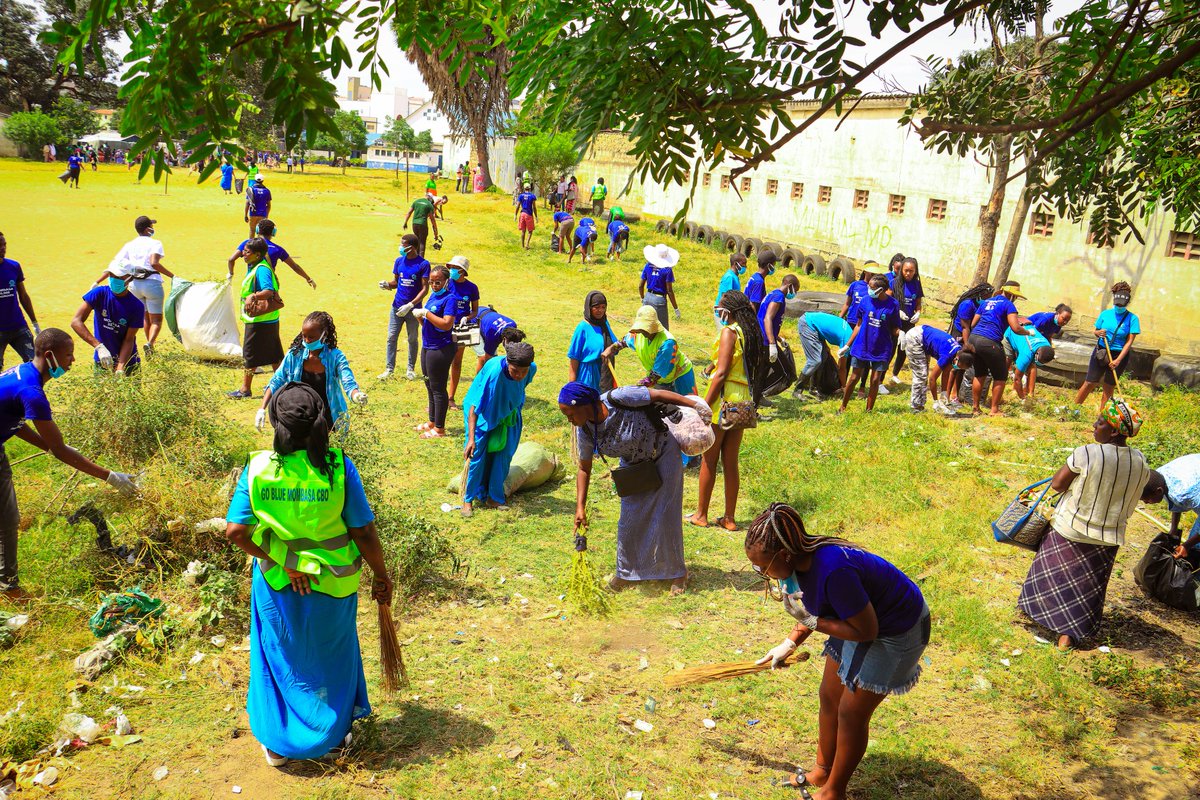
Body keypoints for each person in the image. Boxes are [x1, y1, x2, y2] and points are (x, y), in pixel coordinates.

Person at [224, 381, 391, 766]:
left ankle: (278, 745)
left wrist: (285, 562)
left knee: (280, 656)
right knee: (331, 657)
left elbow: (235, 531)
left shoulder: (258, 468)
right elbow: (363, 531)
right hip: (332, 585)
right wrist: (382, 575)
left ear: (274, 422)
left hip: (278, 584)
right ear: (322, 421)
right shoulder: (338, 467)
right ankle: (331, 739)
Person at [745, 502, 929, 796]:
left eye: (763, 567)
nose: (762, 573)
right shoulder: (796, 564)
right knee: (829, 695)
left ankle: (835, 791)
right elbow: (822, 609)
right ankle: (822, 771)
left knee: (851, 713)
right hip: (856, 618)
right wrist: (790, 642)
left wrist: (812, 621)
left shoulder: (833, 571)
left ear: (785, 554)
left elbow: (866, 631)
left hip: (898, 628)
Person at [0, 329, 137, 600]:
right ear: (50, 355)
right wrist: (111, 477)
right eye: (69, 354)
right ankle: (9, 587)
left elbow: (12, 421)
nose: (73, 360)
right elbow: (63, 453)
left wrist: (48, 446)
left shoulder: (24, 372)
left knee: (6, 517)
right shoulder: (32, 391)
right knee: (7, 519)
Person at [1018, 398, 1152, 650]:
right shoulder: (1140, 461)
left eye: (1100, 422)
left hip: (1071, 528)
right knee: (1086, 587)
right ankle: (1067, 637)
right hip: (1108, 537)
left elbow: (1057, 485)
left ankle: (1039, 613)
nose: (1094, 425)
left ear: (1113, 431)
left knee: (1052, 574)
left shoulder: (1087, 452)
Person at [559, 381, 701, 594]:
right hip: (634, 466)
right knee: (628, 520)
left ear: (584, 405)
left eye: (570, 414)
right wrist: (580, 507)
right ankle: (627, 574)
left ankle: (677, 573)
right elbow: (584, 469)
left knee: (666, 514)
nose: (569, 420)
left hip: (663, 452)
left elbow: (658, 394)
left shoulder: (620, 398)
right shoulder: (586, 430)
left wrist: (695, 406)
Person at [689, 291, 766, 530]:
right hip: (742, 403)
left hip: (723, 402)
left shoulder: (729, 332)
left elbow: (721, 372)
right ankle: (729, 519)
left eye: (721, 309)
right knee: (731, 462)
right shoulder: (749, 333)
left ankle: (701, 515)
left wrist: (702, 404)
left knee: (709, 460)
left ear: (728, 311)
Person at [461, 342, 536, 517]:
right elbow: (474, 408)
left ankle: (494, 498)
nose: (519, 375)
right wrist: (471, 439)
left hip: (508, 414)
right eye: (514, 371)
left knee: (504, 454)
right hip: (482, 414)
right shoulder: (494, 373)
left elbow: (519, 388)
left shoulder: (531, 368)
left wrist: (510, 407)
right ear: (508, 363)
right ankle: (467, 500)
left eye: (522, 372)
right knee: (477, 456)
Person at [258, 312, 365, 433]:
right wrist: (262, 408)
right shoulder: (294, 355)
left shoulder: (335, 357)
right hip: (300, 417)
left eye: (311, 337)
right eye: (304, 336)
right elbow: (277, 380)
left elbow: (348, 381)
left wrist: (356, 395)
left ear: (324, 335)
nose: (307, 341)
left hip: (330, 419)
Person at [107, 215, 174, 358]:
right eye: (152, 226)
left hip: (134, 284)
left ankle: (149, 343)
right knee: (156, 319)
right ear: (148, 229)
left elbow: (117, 261)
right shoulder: (155, 243)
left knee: (145, 316)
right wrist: (172, 276)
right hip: (152, 283)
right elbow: (154, 263)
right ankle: (150, 343)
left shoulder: (129, 244)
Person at [229, 239, 284, 399]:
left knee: (250, 355)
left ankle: (245, 389)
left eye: (246, 252)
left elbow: (268, 291)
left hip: (259, 320)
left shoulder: (261, 270)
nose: (243, 255)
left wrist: (253, 296)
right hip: (268, 319)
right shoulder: (257, 266)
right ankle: (282, 385)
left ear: (257, 254)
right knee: (274, 354)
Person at [968, 281, 1031, 416]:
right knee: (1001, 375)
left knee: (980, 374)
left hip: (973, 339)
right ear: (1012, 295)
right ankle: (994, 409)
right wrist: (1028, 332)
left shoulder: (986, 302)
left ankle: (975, 408)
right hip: (989, 341)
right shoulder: (1009, 305)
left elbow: (973, 323)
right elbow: (1016, 328)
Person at [839, 275, 901, 414]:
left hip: (881, 347)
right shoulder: (865, 301)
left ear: (881, 290)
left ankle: (868, 410)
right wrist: (847, 345)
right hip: (863, 344)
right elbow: (859, 325)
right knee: (854, 377)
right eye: (869, 287)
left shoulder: (893, 304)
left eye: (872, 288)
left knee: (874, 380)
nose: (868, 290)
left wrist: (901, 333)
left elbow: (894, 328)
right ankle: (843, 406)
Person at [603, 305, 696, 395]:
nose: (642, 332)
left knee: (687, 406)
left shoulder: (667, 343)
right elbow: (623, 342)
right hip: (660, 379)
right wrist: (610, 349)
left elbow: (654, 377)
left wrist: (635, 388)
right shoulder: (638, 334)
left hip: (680, 376)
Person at [70, 265, 145, 375]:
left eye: (119, 277)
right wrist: (99, 347)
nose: (114, 279)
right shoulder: (99, 294)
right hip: (103, 360)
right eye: (111, 275)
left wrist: (120, 367)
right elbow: (76, 322)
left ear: (130, 279)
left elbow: (129, 339)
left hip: (128, 363)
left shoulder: (136, 306)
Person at [1075, 282, 1140, 408]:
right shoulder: (1105, 314)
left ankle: (1103, 416)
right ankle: (1074, 408)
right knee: (1089, 382)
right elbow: (1095, 331)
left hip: (1118, 355)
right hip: (1101, 351)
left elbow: (1129, 342)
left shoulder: (1132, 319)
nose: (1119, 307)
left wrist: (1118, 360)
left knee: (1109, 387)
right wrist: (1098, 332)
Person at [412, 266, 457, 438]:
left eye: (438, 282)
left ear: (446, 281)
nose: (434, 285)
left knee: (438, 388)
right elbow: (430, 324)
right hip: (428, 345)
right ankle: (432, 420)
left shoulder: (450, 299)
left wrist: (427, 313)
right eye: (431, 282)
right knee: (429, 385)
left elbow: (446, 324)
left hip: (440, 348)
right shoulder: (433, 296)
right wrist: (420, 318)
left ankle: (440, 428)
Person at [378, 234, 430, 381]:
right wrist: (387, 285)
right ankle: (389, 368)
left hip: (413, 310)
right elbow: (396, 282)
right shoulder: (399, 261)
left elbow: (425, 288)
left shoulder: (423, 264)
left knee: (412, 338)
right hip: (396, 307)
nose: (400, 247)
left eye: (403, 245)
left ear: (412, 247)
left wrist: (411, 305)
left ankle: (410, 369)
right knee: (391, 337)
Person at [899, 324, 972, 414]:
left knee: (923, 372)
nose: (957, 368)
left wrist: (944, 395)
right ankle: (915, 407)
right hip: (915, 338)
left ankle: (920, 405)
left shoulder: (958, 352)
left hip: (924, 337)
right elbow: (932, 378)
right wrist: (936, 401)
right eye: (959, 366)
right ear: (957, 360)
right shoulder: (948, 355)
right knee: (921, 375)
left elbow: (946, 373)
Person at [226, 219, 317, 289]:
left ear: (257, 230)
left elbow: (231, 259)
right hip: (269, 283)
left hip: (250, 283)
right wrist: (308, 278)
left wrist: (230, 274)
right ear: (273, 233)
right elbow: (294, 266)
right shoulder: (278, 249)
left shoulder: (248, 243)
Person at [0, 233, 41, 369]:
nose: (3, 248)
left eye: (4, 244)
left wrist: (34, 322)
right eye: (0, 245)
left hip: (18, 326)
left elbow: (23, 296)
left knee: (35, 364)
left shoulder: (13, 266)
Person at [1153, 454, 1200, 568]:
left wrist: (1187, 545)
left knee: (1195, 547)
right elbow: (1175, 502)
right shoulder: (1160, 478)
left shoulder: (1187, 494)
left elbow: (1180, 496)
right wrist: (1174, 528)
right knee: (1194, 548)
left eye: (1147, 499)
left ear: (1159, 491)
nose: (1146, 503)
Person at [446, 256, 480, 409]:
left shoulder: (472, 288)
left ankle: (451, 397)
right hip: (445, 325)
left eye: (454, 267)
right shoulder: (447, 283)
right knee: (442, 361)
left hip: (462, 328)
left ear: (462, 271)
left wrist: (467, 317)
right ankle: (439, 398)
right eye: (451, 267)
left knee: (456, 361)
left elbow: (475, 311)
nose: (451, 270)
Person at [568, 291, 618, 393]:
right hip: (588, 376)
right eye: (596, 307)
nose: (600, 310)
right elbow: (574, 360)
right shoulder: (582, 328)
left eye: (603, 307)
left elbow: (615, 344)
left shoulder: (604, 324)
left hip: (605, 373)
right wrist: (571, 388)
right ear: (589, 308)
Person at [795, 311, 852, 399]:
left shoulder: (851, 333)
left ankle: (813, 389)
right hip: (808, 323)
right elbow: (842, 368)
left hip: (817, 326)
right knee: (814, 361)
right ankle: (797, 390)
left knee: (824, 357)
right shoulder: (847, 341)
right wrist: (844, 387)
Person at [887, 257, 924, 385]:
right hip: (895, 321)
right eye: (906, 270)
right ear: (901, 270)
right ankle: (880, 377)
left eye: (911, 271)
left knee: (903, 348)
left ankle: (895, 374)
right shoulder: (894, 283)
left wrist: (918, 312)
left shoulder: (916, 284)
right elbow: (886, 300)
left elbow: (918, 303)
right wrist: (896, 311)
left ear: (915, 271)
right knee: (890, 348)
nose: (908, 273)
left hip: (909, 322)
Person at [1005, 324, 1054, 404]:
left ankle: (1030, 393)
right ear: (1037, 354)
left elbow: (1033, 364)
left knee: (1032, 366)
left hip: (1027, 336)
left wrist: (1029, 397)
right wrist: (1023, 398)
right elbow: (1017, 378)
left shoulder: (1047, 347)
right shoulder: (1026, 355)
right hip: (1011, 332)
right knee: (1008, 360)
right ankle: (1013, 390)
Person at [757, 273, 799, 366]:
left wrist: (780, 339)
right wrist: (772, 344)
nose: (794, 294)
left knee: (763, 371)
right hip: (766, 341)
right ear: (790, 286)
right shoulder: (778, 297)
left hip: (762, 337)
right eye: (795, 291)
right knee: (785, 373)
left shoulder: (773, 293)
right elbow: (767, 319)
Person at [639, 244, 681, 331]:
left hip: (648, 296)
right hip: (659, 299)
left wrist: (643, 298)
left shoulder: (648, 266)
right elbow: (669, 290)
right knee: (662, 329)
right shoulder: (667, 270)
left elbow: (640, 285)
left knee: (647, 326)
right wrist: (676, 308)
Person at [403, 192, 439, 257]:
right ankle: (421, 259)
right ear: (430, 198)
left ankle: (415, 257)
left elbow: (409, 212)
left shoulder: (416, 201)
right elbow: (432, 219)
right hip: (423, 224)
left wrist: (405, 223)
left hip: (414, 224)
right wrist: (435, 231)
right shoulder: (429, 205)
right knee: (422, 242)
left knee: (417, 241)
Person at [714, 254, 746, 327]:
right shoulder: (729, 277)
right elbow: (724, 298)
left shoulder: (734, 276)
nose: (745, 267)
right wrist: (725, 317)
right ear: (735, 264)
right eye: (743, 264)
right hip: (723, 315)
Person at [515, 184, 538, 250]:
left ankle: (522, 246)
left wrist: (515, 215)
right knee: (530, 231)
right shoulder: (532, 196)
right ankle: (527, 244)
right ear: (530, 188)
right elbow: (534, 207)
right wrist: (536, 216)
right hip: (529, 214)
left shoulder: (521, 196)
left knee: (523, 231)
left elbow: (518, 206)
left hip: (522, 214)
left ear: (524, 188)